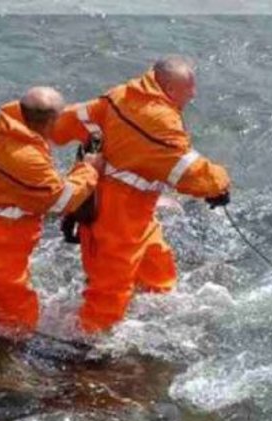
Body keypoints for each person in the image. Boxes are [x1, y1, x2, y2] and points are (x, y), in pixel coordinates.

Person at [51, 55, 231, 334]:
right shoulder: (160, 121)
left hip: (135, 211)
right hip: (115, 215)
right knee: (109, 290)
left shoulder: (121, 94)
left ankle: (155, 306)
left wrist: (47, 127)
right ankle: (87, 345)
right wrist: (219, 184)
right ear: (169, 89)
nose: (193, 94)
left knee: (157, 265)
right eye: (189, 88)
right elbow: (187, 170)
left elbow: (72, 120)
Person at [0, 87, 101, 333]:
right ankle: (4, 361)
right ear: (51, 121)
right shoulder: (26, 157)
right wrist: (88, 169)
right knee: (18, 318)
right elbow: (61, 202)